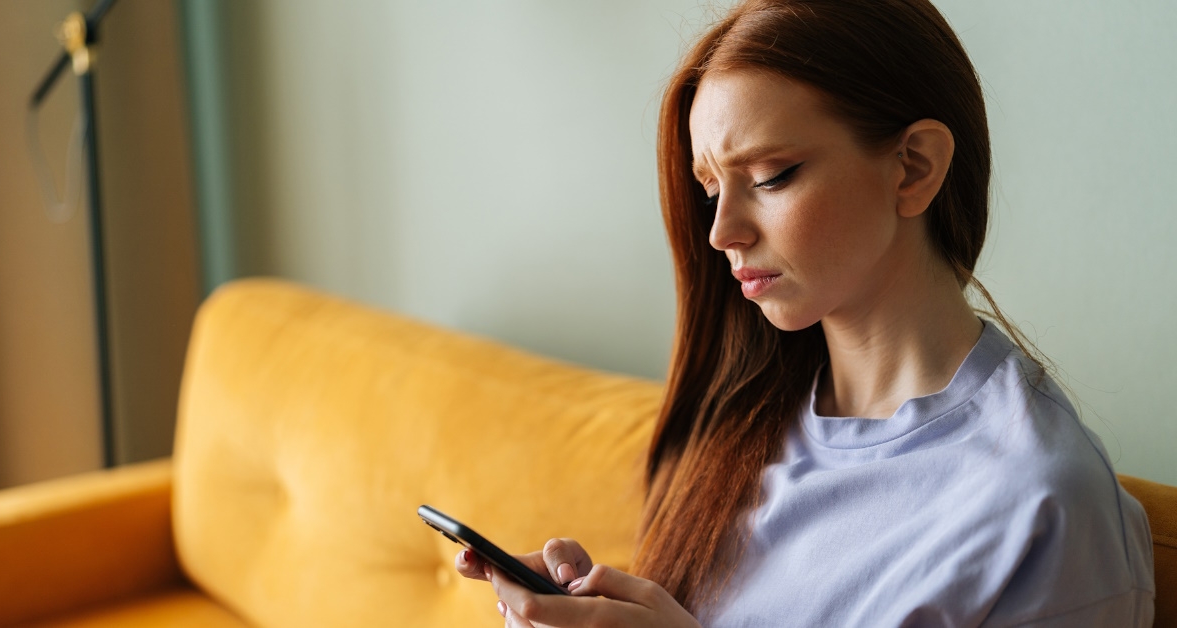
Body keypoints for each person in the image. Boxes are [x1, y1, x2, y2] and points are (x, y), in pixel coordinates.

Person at [455, 0, 1156, 625]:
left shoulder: (1040, 503)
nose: (721, 232)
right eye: (710, 190)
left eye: (769, 177)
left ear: (913, 167)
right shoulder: (742, 419)